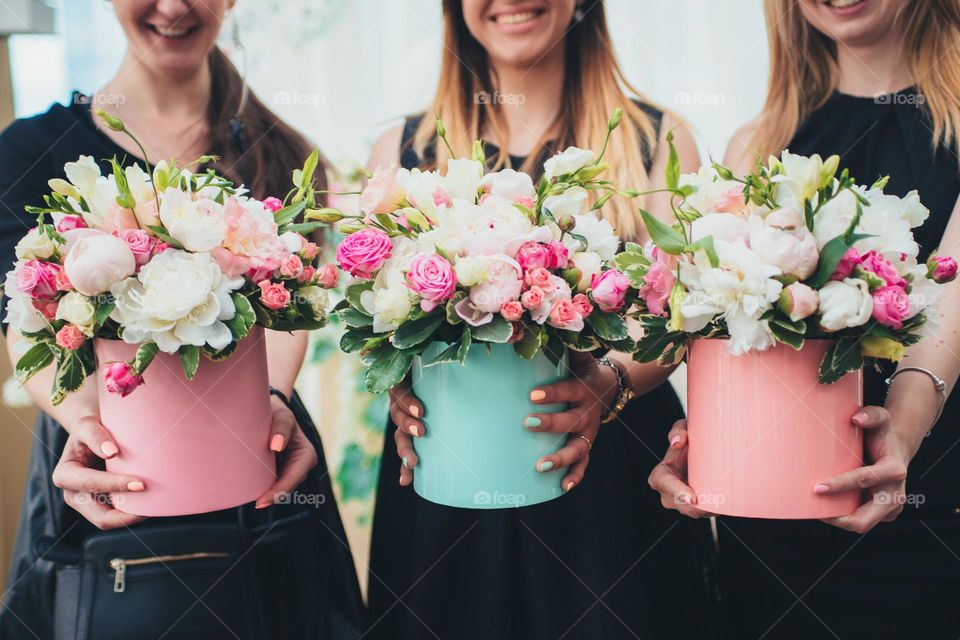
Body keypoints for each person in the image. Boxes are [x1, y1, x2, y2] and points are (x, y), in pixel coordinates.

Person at [0, 1, 363, 637]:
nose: (173, 7)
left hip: (260, 462)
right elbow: (30, 322)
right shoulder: (30, 151)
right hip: (103, 463)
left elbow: (286, 316)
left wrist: (271, 400)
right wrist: (88, 426)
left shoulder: (279, 152)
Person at [364, 1, 718, 638]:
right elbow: (378, 317)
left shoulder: (658, 139)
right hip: (447, 471)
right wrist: (399, 386)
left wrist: (610, 380)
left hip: (614, 476)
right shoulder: (402, 150)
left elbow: (686, 313)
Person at [649, 1, 960, 638]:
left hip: (932, 510)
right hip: (770, 523)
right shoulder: (757, 142)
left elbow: (949, 308)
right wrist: (641, 400)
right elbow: (707, 316)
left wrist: (897, 434)